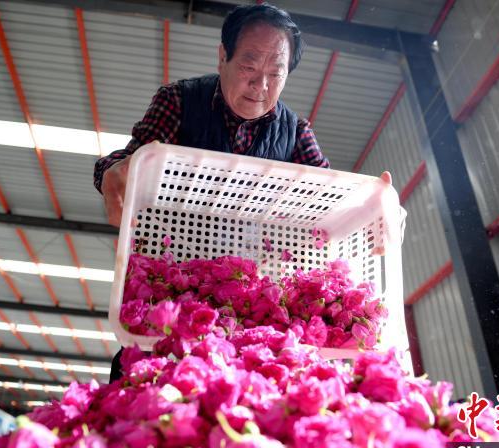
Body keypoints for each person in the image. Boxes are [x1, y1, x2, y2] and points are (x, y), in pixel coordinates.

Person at [94, 3, 397, 382]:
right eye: (249, 67)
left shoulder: (295, 133)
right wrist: (113, 173)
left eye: (276, 73)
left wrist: (376, 210)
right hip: (169, 297)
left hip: (252, 313)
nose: (261, 85)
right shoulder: (180, 102)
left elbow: (332, 199)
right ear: (223, 56)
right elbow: (130, 160)